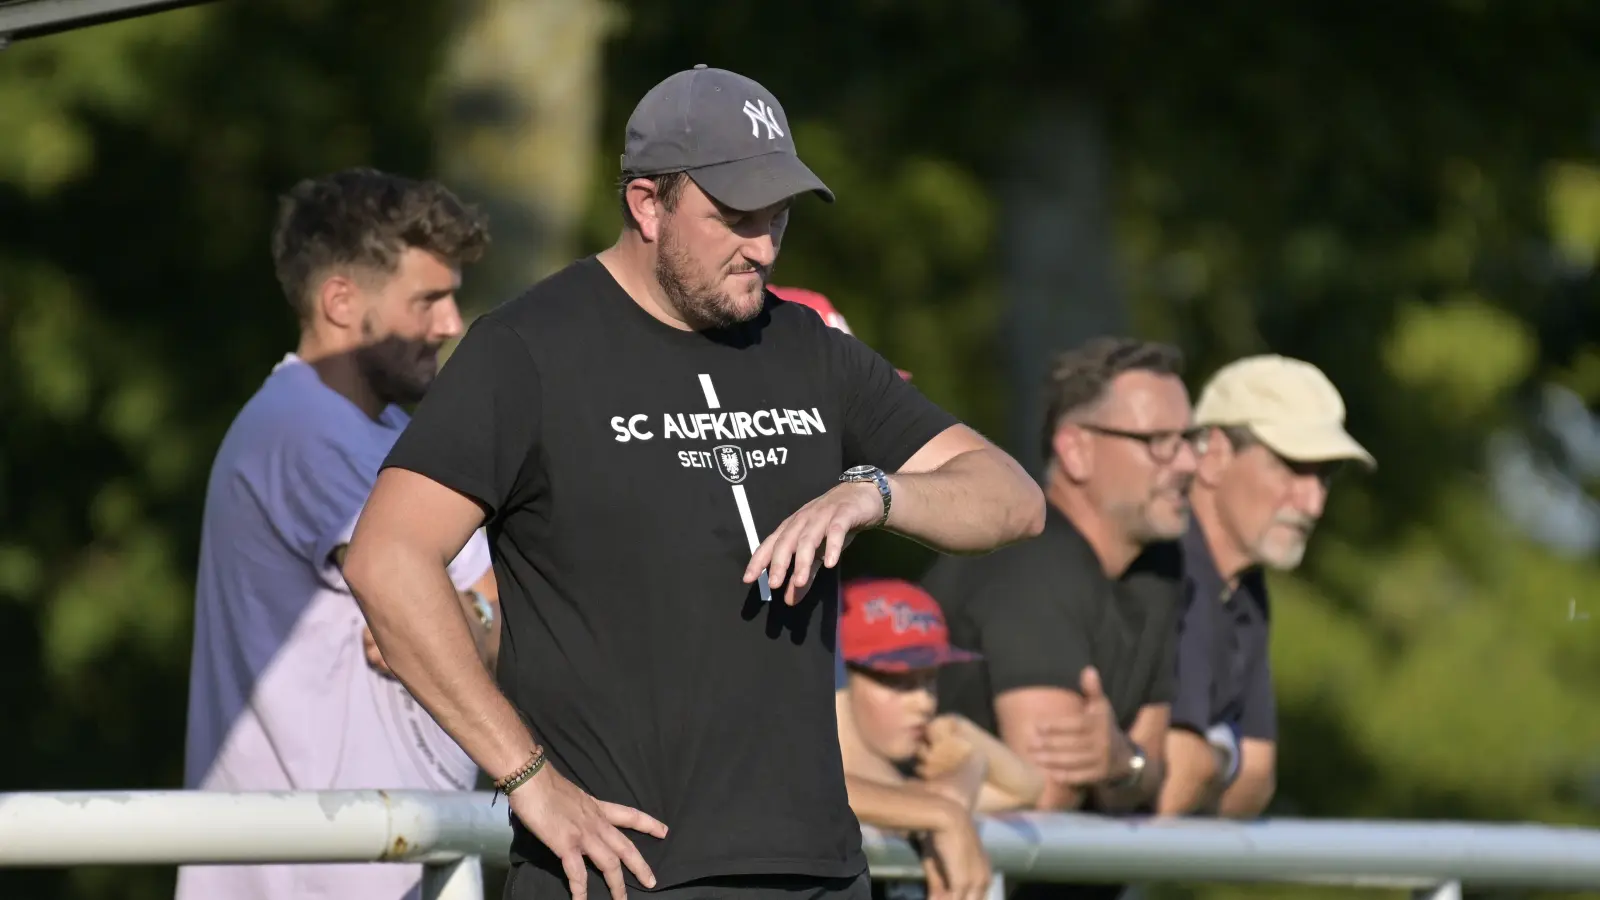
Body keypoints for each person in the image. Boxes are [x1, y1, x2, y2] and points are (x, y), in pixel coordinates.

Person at [340, 64, 1045, 900]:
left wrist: (876, 493)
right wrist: (528, 778)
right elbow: (387, 558)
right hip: (620, 871)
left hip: (822, 870)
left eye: (778, 215)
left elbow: (1012, 497)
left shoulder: (811, 348)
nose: (764, 245)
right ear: (647, 204)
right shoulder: (527, 349)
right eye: (735, 217)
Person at [176, 168, 501, 900]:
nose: (452, 324)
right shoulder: (301, 429)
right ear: (341, 301)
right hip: (313, 878)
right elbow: (420, 600)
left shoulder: (389, 436)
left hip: (394, 861)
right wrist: (457, 613)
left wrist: (461, 615)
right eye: (428, 299)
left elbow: (477, 611)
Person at [923, 337, 1196, 898]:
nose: (1189, 463)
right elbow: (1046, 792)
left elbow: (1146, 767)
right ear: (1075, 450)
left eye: (1189, 439)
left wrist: (1121, 764)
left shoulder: (1160, 569)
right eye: (1158, 443)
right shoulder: (1031, 560)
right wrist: (1124, 769)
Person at [1156, 354, 1374, 819]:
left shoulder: (1244, 588)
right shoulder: (1163, 566)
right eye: (1292, 467)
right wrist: (1221, 754)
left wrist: (1212, 755)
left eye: (1325, 476)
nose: (1313, 503)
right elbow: (1180, 780)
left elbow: (1256, 781)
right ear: (1213, 455)